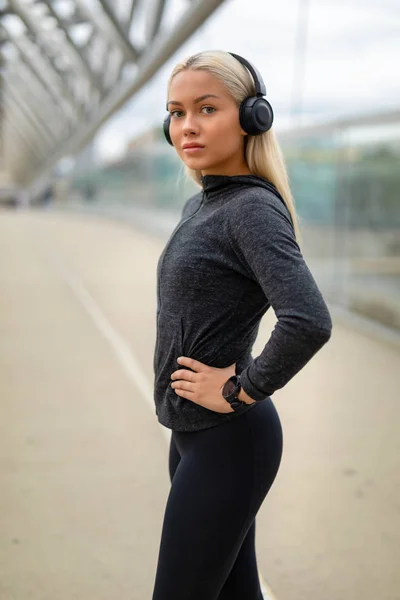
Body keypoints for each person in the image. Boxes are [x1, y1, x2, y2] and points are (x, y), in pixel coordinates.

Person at [151, 50, 332, 600]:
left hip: (230, 440)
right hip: (193, 438)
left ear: (253, 116)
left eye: (207, 108)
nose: (187, 126)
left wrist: (240, 388)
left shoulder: (250, 209)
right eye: (176, 113)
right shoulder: (201, 205)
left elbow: (308, 319)